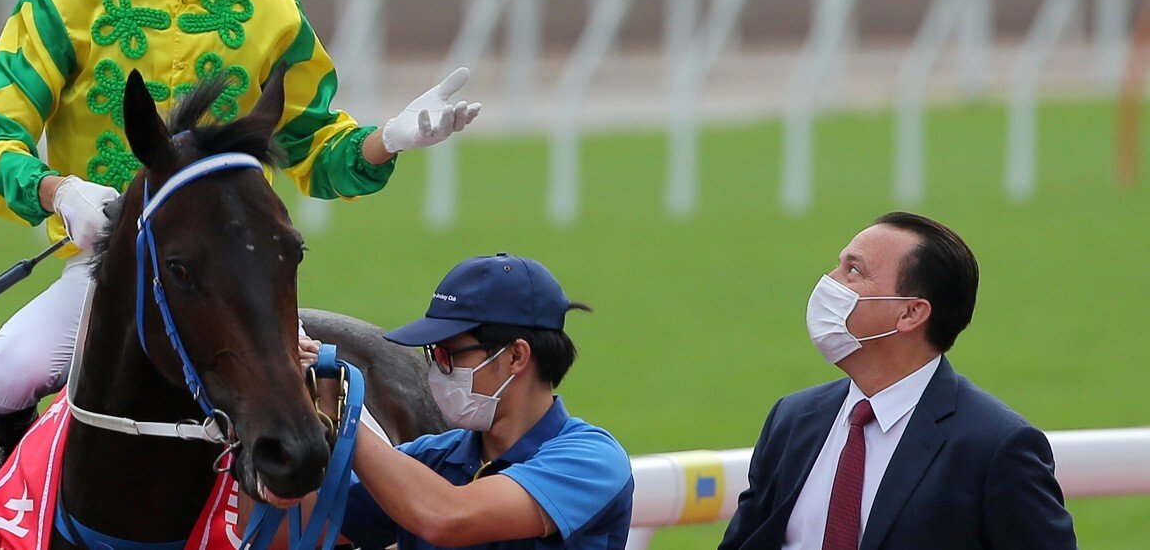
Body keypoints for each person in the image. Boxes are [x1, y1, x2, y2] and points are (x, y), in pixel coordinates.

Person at [0, 0, 480, 481]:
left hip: (242, 280)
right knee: (5, 373)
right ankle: (13, 494)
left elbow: (316, 154)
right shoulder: (64, 1)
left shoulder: (277, 15)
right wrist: (60, 192)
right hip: (117, 275)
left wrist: (384, 139)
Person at [719, 212, 1077, 550]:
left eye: (853, 271)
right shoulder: (793, 420)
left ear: (910, 313)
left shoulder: (995, 447)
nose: (830, 282)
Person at [309, 253, 633, 549]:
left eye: (448, 354)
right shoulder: (431, 458)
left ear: (516, 356)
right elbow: (292, 528)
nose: (436, 370)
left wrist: (345, 414)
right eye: (432, 354)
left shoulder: (592, 460)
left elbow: (447, 517)